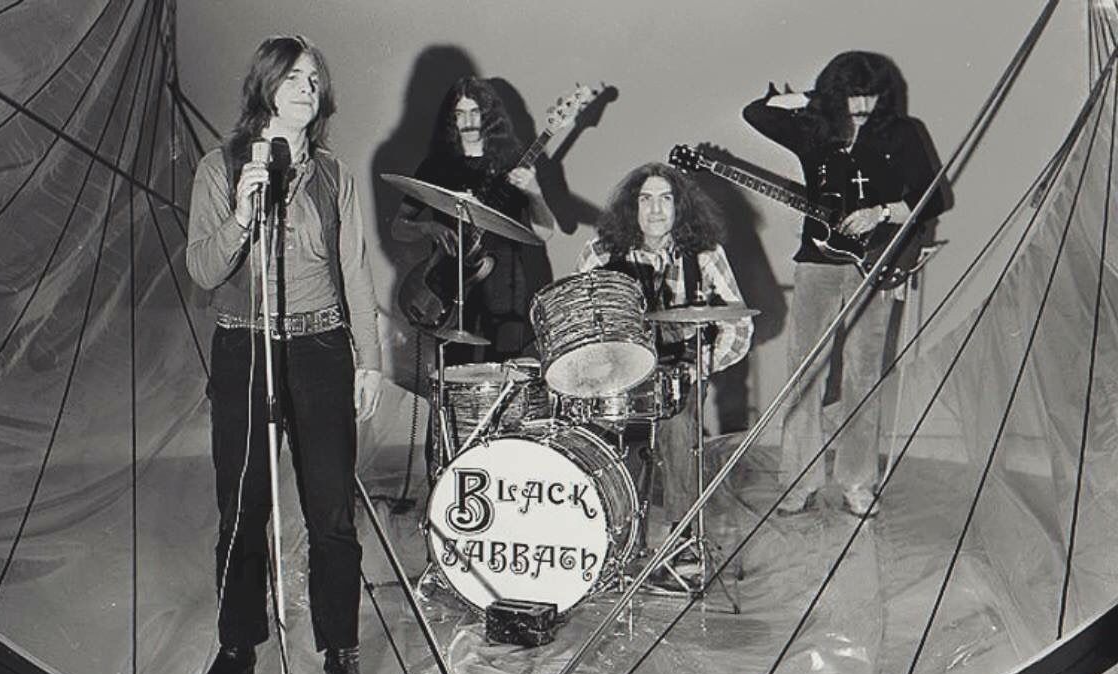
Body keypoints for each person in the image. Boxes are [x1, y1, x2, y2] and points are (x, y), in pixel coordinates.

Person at [185, 36, 381, 674]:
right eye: (294, 76)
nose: (307, 87)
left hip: (320, 348)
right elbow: (203, 269)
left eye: (315, 78)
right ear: (266, 85)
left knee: (332, 514)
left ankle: (340, 654)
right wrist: (242, 215)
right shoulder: (220, 167)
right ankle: (237, 651)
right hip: (244, 346)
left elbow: (354, 269)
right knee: (242, 510)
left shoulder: (334, 175)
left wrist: (370, 360)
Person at [742, 50, 948, 517]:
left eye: (871, 95)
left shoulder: (902, 132)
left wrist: (881, 213)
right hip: (816, 263)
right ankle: (799, 481)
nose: (863, 106)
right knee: (804, 372)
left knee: (863, 373)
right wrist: (814, 99)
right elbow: (755, 113)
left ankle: (857, 482)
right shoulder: (815, 130)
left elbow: (934, 197)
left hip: (874, 263)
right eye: (853, 95)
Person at [577, 162, 753, 554]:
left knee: (678, 427)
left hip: (679, 370)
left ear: (679, 206)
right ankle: (619, 535)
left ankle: (682, 537)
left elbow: (739, 324)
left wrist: (701, 367)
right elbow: (580, 319)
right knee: (610, 435)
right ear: (633, 207)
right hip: (619, 371)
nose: (655, 210)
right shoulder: (600, 253)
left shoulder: (705, 254)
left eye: (665, 199)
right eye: (645, 200)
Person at [391, 75, 554, 366]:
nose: (467, 122)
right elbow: (398, 228)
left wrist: (535, 192)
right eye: (460, 113)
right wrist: (428, 227)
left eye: (475, 112)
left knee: (505, 372)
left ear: (489, 115)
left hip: (506, 290)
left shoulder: (514, 162)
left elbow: (545, 233)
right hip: (448, 286)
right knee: (454, 371)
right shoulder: (436, 167)